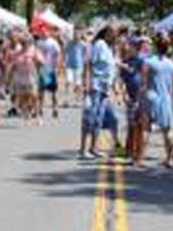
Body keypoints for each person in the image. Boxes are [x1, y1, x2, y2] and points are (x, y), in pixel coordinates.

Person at [139, 33, 173, 168]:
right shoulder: (172, 64)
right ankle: (170, 159)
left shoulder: (148, 62)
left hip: (151, 97)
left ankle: (140, 159)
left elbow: (143, 83)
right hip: (166, 98)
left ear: (155, 46)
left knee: (146, 129)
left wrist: (140, 98)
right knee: (167, 130)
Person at [82, 26, 117, 159]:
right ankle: (83, 150)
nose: (115, 38)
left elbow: (110, 67)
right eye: (113, 35)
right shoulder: (99, 45)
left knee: (99, 119)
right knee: (90, 117)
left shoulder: (108, 47)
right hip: (95, 86)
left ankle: (93, 148)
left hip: (104, 88)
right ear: (107, 34)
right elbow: (89, 63)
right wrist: (87, 83)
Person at [120, 36, 146, 165]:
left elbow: (145, 78)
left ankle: (137, 153)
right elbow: (122, 80)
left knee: (139, 125)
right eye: (135, 45)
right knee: (131, 124)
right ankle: (129, 150)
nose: (138, 47)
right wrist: (124, 93)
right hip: (130, 96)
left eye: (140, 45)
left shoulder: (143, 59)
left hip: (141, 96)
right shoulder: (127, 60)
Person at [8, 34, 43, 124]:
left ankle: (37, 115)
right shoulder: (17, 53)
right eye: (23, 42)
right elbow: (13, 66)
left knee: (33, 96)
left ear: (30, 43)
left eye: (26, 42)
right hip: (20, 77)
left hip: (31, 76)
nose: (24, 44)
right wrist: (8, 78)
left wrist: (37, 63)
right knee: (23, 97)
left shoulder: (34, 50)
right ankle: (26, 116)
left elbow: (41, 62)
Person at [37, 32, 62, 118]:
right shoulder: (39, 42)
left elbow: (58, 54)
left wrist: (57, 67)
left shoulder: (53, 42)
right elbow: (37, 55)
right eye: (43, 31)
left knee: (54, 91)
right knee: (41, 90)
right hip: (43, 70)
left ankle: (55, 108)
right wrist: (38, 67)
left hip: (51, 69)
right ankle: (40, 108)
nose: (44, 32)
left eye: (46, 31)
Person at [63, 33, 87, 106]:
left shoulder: (82, 44)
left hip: (79, 65)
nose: (76, 36)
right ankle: (67, 100)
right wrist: (64, 61)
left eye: (78, 35)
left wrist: (84, 60)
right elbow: (65, 51)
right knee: (68, 81)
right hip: (69, 65)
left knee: (78, 84)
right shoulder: (69, 43)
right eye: (75, 35)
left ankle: (77, 100)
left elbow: (86, 52)